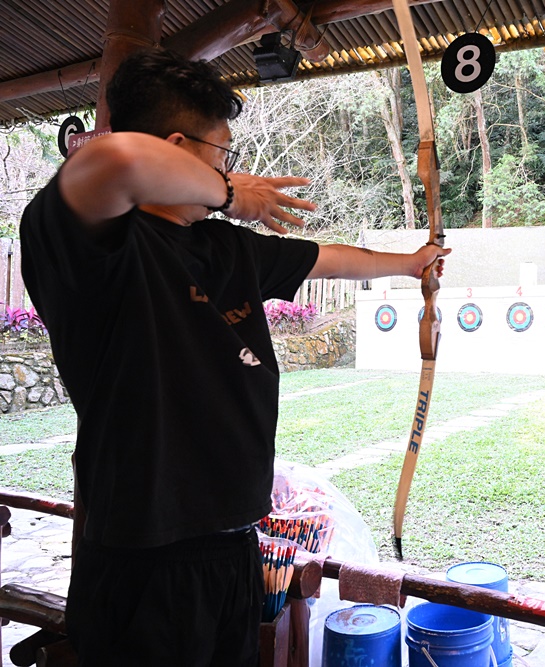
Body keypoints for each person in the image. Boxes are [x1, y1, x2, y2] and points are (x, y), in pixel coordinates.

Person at [19, 49, 448, 666]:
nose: (233, 168)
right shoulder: (95, 245)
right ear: (178, 145)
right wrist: (227, 191)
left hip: (233, 550)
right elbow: (116, 158)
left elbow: (328, 258)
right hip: (144, 562)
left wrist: (410, 265)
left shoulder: (223, 247)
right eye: (224, 152)